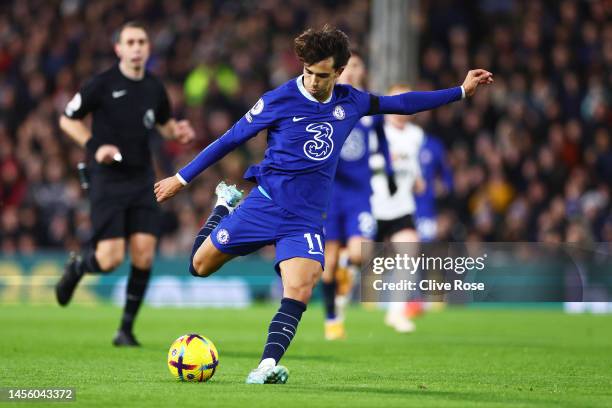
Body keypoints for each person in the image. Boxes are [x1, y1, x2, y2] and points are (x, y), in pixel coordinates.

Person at [154, 25, 493, 384]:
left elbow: (402, 104)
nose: (313, 82)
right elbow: (229, 139)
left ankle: (266, 366)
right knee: (199, 266)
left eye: (322, 75)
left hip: (304, 219)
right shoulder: (278, 100)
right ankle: (223, 207)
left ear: (339, 72)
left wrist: (460, 91)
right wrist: (181, 178)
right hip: (265, 204)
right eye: (308, 73)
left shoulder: (352, 101)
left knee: (301, 286)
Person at [55, 21, 195, 346]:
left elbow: (163, 124)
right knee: (109, 259)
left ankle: (126, 330)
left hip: (142, 178)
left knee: (144, 254)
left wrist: (179, 132)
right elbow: (66, 119)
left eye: (141, 41)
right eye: (130, 42)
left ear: (148, 47)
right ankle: (78, 267)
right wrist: (95, 147)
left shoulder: (154, 88)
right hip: (107, 180)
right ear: (118, 48)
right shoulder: (101, 84)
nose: (136, 47)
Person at [321, 50, 395, 340]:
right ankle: (332, 318)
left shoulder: (367, 104)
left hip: (359, 193)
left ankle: (344, 280)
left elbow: (384, 142)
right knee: (327, 262)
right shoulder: (328, 103)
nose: (351, 71)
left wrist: (388, 172)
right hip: (330, 193)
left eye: (356, 66)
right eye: (346, 66)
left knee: (357, 251)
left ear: (362, 71)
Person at [371, 84, 427, 333]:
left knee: (409, 251)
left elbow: (412, 163)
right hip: (372, 206)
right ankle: (335, 311)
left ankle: (396, 313)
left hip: (401, 207)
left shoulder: (416, 135)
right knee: (351, 259)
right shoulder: (375, 131)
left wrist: (417, 179)